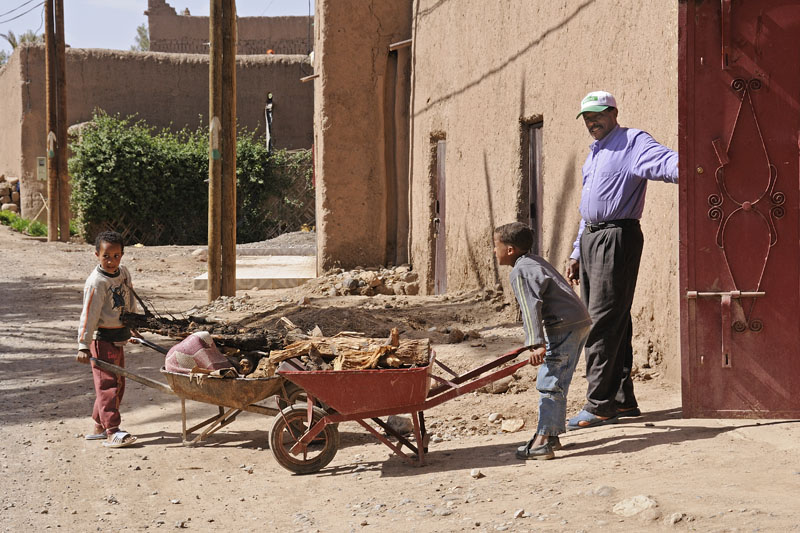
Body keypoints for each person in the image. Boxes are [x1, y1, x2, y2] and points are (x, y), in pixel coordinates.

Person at [566, 90, 678, 430]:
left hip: (617, 235)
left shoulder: (632, 142)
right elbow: (588, 211)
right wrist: (575, 251)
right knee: (615, 319)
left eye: (598, 114)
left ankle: (599, 404)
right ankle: (621, 400)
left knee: (600, 321)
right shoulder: (595, 154)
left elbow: (666, 163)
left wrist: (700, 167)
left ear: (614, 112)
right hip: (592, 238)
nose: (592, 122)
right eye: (586, 117)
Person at [493, 222, 592, 460]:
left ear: (509, 249)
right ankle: (552, 435)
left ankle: (543, 441)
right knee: (558, 380)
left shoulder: (520, 271)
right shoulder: (534, 261)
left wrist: (535, 344)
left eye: (495, 246)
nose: (493, 251)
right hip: (578, 322)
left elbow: (530, 308)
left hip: (563, 326)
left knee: (550, 381)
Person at [76, 231, 139, 448]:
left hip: (119, 337)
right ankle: (112, 431)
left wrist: (133, 327)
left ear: (122, 254)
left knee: (117, 384)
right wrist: (83, 345)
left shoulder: (123, 274)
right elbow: (88, 315)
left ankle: (98, 426)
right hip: (101, 340)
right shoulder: (97, 282)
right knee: (108, 386)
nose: (111, 261)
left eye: (116, 255)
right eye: (106, 256)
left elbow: (130, 299)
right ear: (96, 255)